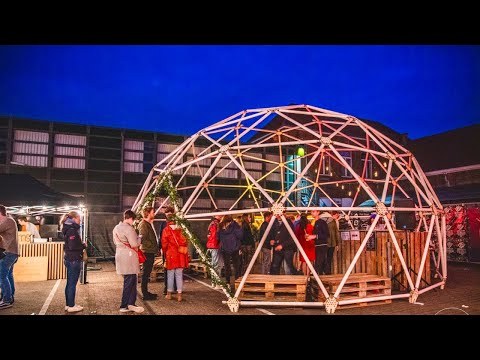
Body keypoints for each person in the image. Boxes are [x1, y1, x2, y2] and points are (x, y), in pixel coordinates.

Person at [112, 210, 144, 313]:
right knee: (129, 281)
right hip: (129, 257)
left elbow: (115, 242)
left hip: (120, 255)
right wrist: (139, 238)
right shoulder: (129, 229)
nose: (133, 222)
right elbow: (134, 244)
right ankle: (124, 305)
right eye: (133, 220)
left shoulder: (116, 228)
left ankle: (131, 303)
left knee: (130, 280)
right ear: (130, 218)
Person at [61, 211, 85, 313]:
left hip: (69, 258)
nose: (80, 221)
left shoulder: (68, 228)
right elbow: (72, 245)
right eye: (79, 219)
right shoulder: (72, 230)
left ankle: (69, 304)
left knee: (69, 283)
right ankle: (71, 305)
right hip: (73, 259)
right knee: (72, 283)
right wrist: (83, 245)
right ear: (74, 218)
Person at [161, 213, 189, 302]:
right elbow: (185, 242)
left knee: (170, 275)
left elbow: (164, 244)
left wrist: (164, 252)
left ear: (167, 221)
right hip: (180, 255)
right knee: (179, 275)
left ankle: (169, 294)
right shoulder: (181, 229)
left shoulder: (166, 230)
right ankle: (179, 295)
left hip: (171, 255)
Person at [0, 205, 19, 309]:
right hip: (12, 252)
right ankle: (9, 296)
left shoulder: (7, 221)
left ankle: (7, 300)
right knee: (8, 275)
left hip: (9, 253)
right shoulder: (10, 221)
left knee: (2, 276)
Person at [138, 206, 158, 300]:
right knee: (145, 273)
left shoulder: (147, 224)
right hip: (147, 252)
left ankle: (146, 292)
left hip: (150, 251)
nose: (154, 214)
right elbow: (141, 239)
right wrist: (151, 245)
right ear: (148, 213)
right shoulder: (143, 225)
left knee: (147, 273)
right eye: (152, 212)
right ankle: (145, 294)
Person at [217, 215, 243, 287]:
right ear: (231, 220)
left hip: (225, 249)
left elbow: (218, 237)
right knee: (236, 266)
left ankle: (228, 282)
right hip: (235, 248)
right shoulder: (235, 226)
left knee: (227, 266)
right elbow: (240, 236)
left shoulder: (220, 227)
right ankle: (237, 282)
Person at [159, 206, 176, 295]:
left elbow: (161, 237)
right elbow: (161, 237)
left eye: (170, 213)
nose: (168, 215)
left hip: (169, 250)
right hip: (169, 250)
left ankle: (171, 287)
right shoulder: (164, 224)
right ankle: (169, 287)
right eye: (167, 214)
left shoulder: (164, 224)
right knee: (170, 268)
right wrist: (161, 248)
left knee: (171, 268)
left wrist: (161, 248)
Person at [308, 209, 329, 275]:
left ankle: (315, 276)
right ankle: (326, 275)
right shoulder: (314, 222)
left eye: (313, 211)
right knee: (323, 262)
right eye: (311, 211)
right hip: (317, 245)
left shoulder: (322, 222)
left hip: (322, 245)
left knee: (319, 262)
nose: (312, 213)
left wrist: (315, 236)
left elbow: (327, 234)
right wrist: (310, 236)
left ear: (318, 212)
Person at [206, 212, 223, 289]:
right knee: (217, 265)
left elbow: (210, 235)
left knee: (214, 264)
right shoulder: (216, 224)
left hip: (212, 246)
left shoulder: (212, 223)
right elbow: (215, 236)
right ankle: (217, 283)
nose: (221, 216)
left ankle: (214, 282)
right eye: (220, 214)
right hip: (215, 246)